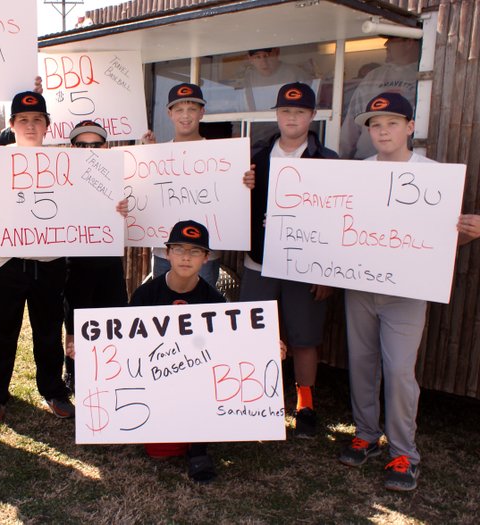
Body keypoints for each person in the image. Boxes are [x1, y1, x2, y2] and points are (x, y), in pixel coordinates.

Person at [337, 92, 480, 491]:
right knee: (362, 363)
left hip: (407, 291)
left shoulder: (433, 175)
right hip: (360, 284)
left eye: (392, 124)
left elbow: (444, 239)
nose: (382, 131)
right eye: (375, 125)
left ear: (410, 128)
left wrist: (468, 233)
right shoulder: (358, 172)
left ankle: (404, 453)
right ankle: (366, 434)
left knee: (400, 370)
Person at [240, 82, 336, 439]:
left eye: (299, 111)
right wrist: (241, 184)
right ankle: (252, 399)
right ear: (277, 115)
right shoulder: (257, 155)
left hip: (306, 266)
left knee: (304, 337)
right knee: (253, 334)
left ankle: (305, 404)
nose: (291, 117)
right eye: (285, 111)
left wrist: (329, 272)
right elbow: (231, 203)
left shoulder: (327, 160)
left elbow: (338, 221)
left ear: (311, 116)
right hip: (259, 261)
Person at [0, 91, 74, 428]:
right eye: (23, 120)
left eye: (37, 120)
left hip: (48, 264)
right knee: (0, 333)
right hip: (7, 263)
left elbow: (79, 210)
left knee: (48, 332)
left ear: (47, 126)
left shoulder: (63, 163)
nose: (30, 126)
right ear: (12, 125)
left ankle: (53, 391)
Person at [129, 220, 226, 483]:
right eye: (179, 249)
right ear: (167, 253)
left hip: (196, 378)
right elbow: (125, 345)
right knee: (158, 451)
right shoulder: (145, 295)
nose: (186, 257)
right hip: (156, 376)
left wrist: (266, 348)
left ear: (206, 258)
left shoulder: (215, 302)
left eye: (195, 251)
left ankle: (198, 448)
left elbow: (230, 348)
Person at [62, 120, 130, 391]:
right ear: (72, 147)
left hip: (109, 259)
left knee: (112, 316)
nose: (89, 150)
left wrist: (126, 211)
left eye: (95, 145)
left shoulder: (123, 175)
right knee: (76, 319)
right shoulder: (60, 178)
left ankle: (112, 371)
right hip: (75, 262)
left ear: (106, 147)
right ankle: (75, 374)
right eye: (82, 145)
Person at [141, 83, 222, 288]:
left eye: (192, 109)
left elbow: (229, 198)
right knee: (162, 310)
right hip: (164, 253)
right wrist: (146, 157)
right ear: (170, 113)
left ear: (201, 113)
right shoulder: (158, 153)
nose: (185, 116)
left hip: (203, 254)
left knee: (201, 311)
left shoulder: (220, 155)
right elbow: (146, 194)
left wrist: (244, 181)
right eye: (179, 110)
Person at [340, 36, 420, 159]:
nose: (385, 44)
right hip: (363, 160)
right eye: (375, 125)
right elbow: (351, 125)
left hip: (408, 166)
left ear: (409, 42)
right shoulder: (372, 76)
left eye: (392, 39)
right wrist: (341, 158)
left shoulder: (425, 75)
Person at [242, 48, 313, 111]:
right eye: (257, 57)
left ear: (277, 52)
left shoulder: (296, 73)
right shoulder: (249, 78)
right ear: (250, 58)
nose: (264, 62)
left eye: (267, 56)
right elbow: (250, 108)